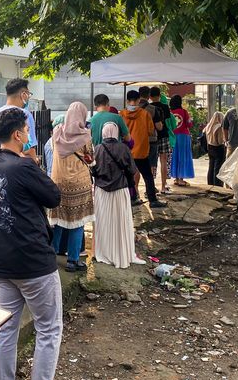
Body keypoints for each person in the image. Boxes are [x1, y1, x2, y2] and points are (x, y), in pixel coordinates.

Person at [0, 108, 63, 380]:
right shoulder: (24, 166)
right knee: (49, 329)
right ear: (17, 134)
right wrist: (34, 164)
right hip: (33, 262)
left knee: (6, 329)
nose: (29, 134)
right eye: (27, 130)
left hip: (1, 263)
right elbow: (53, 196)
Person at [48, 102, 95, 272]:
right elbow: (90, 157)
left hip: (58, 183)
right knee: (77, 222)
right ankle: (72, 261)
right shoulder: (86, 137)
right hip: (79, 185)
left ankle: (51, 256)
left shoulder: (57, 133)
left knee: (58, 221)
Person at [93, 122, 145, 268]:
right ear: (116, 133)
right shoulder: (123, 148)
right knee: (120, 222)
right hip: (120, 190)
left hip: (101, 192)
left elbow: (92, 170)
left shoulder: (97, 149)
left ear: (103, 133)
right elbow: (132, 170)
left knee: (103, 223)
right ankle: (122, 253)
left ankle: (103, 252)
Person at [120, 91, 167, 209]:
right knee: (147, 176)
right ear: (138, 100)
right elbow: (151, 131)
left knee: (128, 176)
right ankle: (152, 200)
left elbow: (119, 132)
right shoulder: (144, 114)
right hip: (141, 150)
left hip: (127, 151)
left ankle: (131, 198)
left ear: (127, 101)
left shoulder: (121, 114)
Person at [0, 78, 39, 163]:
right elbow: (30, 148)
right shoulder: (25, 114)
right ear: (23, 95)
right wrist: (35, 164)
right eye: (29, 94)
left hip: (0, 159)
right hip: (21, 161)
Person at [149, 87, 173, 194]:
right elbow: (167, 120)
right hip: (163, 135)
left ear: (150, 97)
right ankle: (163, 187)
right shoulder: (165, 106)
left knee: (151, 163)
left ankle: (151, 187)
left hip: (152, 137)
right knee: (164, 161)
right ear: (159, 95)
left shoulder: (148, 108)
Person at [138, 86, 164, 182]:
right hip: (151, 140)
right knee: (151, 164)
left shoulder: (132, 110)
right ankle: (150, 186)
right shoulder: (153, 109)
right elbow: (159, 127)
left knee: (136, 165)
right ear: (149, 96)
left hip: (136, 140)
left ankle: (135, 190)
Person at [169, 95, 195, 187]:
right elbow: (189, 124)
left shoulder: (170, 112)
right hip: (183, 136)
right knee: (183, 156)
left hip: (173, 137)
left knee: (174, 156)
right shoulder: (184, 112)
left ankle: (176, 178)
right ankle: (181, 179)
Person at [203, 111, 226, 187]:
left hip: (210, 147)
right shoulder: (219, 127)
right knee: (218, 168)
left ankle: (210, 183)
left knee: (211, 167)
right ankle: (217, 185)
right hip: (218, 148)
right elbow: (220, 141)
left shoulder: (208, 126)